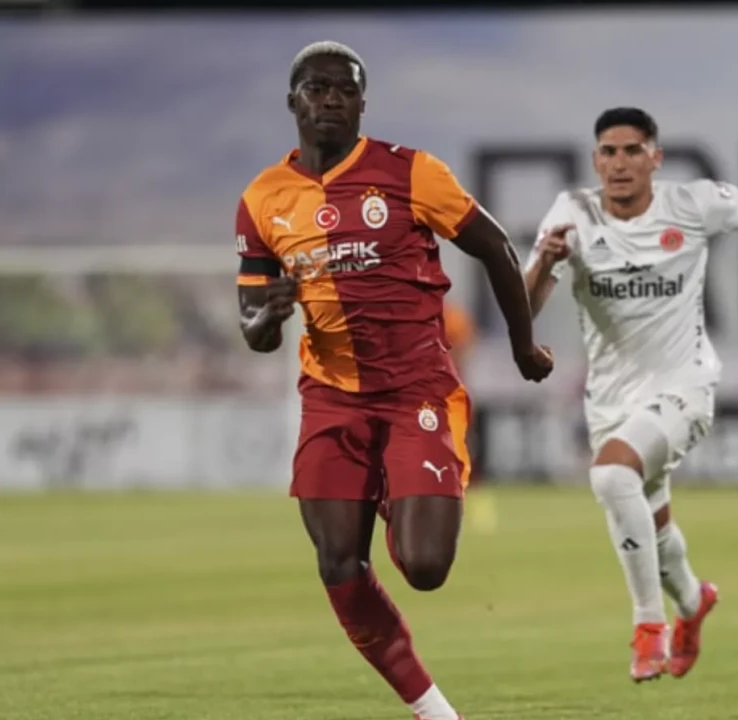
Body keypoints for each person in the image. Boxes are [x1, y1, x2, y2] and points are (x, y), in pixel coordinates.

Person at [234, 41, 553, 720]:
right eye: (316, 89)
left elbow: (495, 247)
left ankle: (390, 488)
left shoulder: (411, 173)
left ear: (362, 103)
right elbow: (254, 328)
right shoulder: (262, 199)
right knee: (337, 562)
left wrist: (523, 346)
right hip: (331, 398)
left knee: (425, 568)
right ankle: (436, 713)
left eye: (345, 89)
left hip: (416, 392)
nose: (331, 100)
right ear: (292, 101)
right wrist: (268, 315)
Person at [523, 107, 738, 683]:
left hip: (686, 384)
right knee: (650, 527)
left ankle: (648, 624)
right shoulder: (571, 213)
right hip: (611, 400)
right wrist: (543, 265)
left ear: (655, 158)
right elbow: (524, 309)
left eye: (633, 150)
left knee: (612, 476)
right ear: (595, 161)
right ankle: (693, 601)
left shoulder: (691, 205)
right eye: (608, 152)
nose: (620, 163)